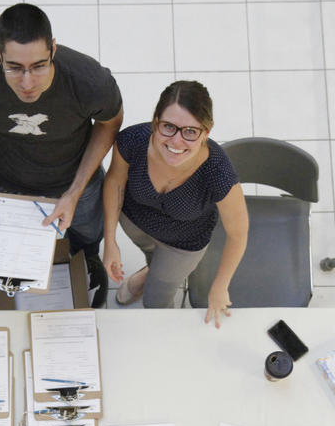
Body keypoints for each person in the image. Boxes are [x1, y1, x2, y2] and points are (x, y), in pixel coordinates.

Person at [0, 3, 123, 305]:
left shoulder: (89, 80)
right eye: (14, 67)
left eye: (39, 66)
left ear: (53, 49)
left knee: (87, 235)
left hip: (75, 179)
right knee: (13, 255)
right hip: (5, 181)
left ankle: (89, 266)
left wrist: (75, 191)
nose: (27, 83)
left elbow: (111, 121)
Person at [102, 81, 249, 327]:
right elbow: (115, 182)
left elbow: (238, 235)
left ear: (206, 132)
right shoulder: (132, 141)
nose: (176, 142)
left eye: (190, 131)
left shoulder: (218, 173)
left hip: (183, 243)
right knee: (151, 255)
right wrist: (110, 241)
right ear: (155, 121)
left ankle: (155, 281)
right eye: (168, 127)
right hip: (135, 220)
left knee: (157, 301)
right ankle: (150, 271)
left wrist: (220, 287)